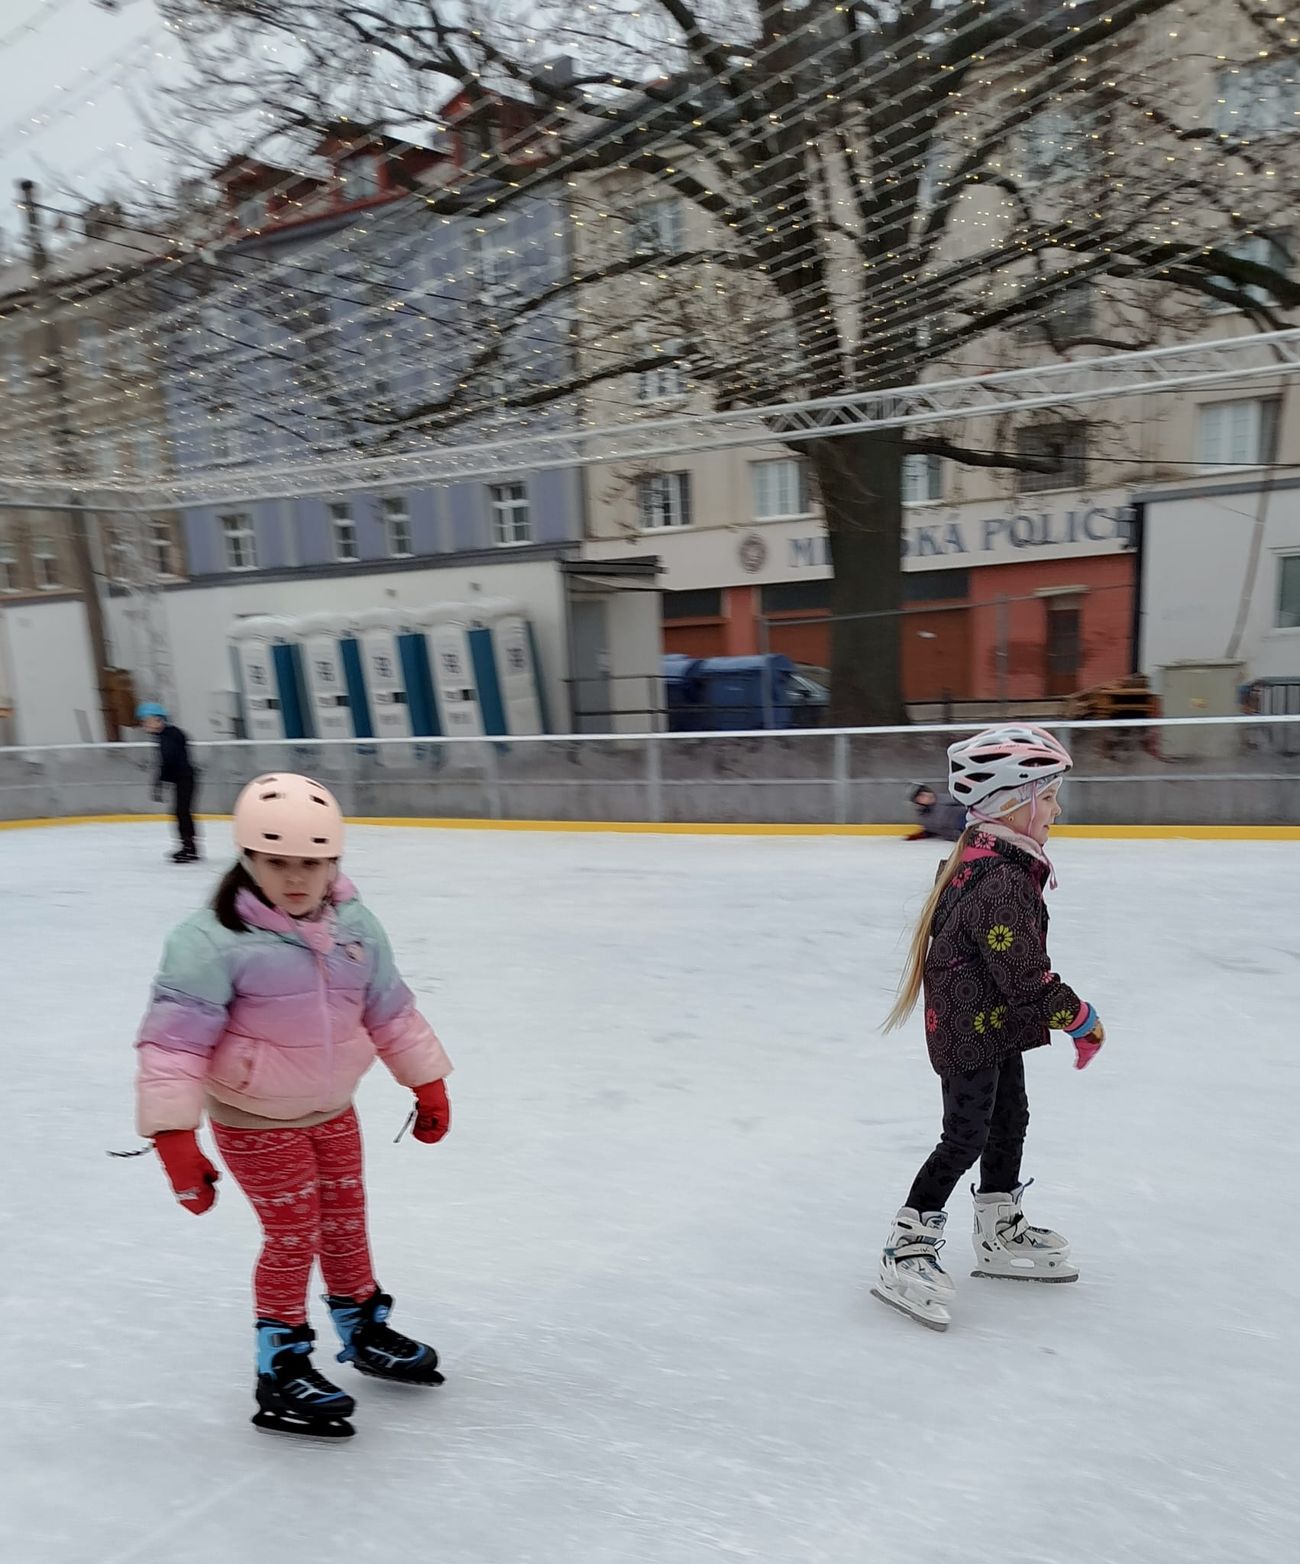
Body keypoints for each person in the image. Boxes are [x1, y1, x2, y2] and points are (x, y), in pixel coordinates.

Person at [133, 772, 454, 1438]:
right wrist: (175, 1139)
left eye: (313, 862)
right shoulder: (209, 940)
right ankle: (280, 1365)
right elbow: (174, 1044)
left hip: (331, 1106)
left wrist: (426, 1082)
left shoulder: (356, 926)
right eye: (278, 862)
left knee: (346, 1222)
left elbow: (389, 1009)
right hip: (253, 1117)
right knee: (292, 1234)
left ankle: (362, 1326)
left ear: (334, 861)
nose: (297, 878)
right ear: (249, 858)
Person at [875, 725, 1105, 1331]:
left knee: (1010, 1120)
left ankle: (998, 1226)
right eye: (1048, 797)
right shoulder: (999, 879)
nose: (1057, 810)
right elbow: (1026, 978)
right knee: (965, 1137)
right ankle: (907, 1243)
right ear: (1011, 803)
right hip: (969, 1029)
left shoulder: (993, 861)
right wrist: (1081, 1019)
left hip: (991, 1022)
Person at [137, 701, 199, 863]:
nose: (144, 725)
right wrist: (161, 781)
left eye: (146, 721)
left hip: (185, 778)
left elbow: (170, 760)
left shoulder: (170, 735)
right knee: (181, 812)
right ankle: (189, 846)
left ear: (158, 719)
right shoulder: (165, 735)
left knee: (182, 812)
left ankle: (189, 848)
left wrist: (160, 781)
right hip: (182, 778)